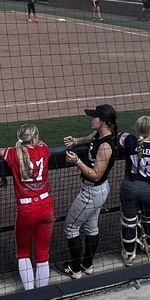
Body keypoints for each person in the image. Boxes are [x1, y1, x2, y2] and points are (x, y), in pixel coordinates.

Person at [0, 123, 54, 289]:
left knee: (23, 252)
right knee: (42, 253)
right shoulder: (44, 150)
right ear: (34, 138)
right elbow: (43, 145)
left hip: (27, 210)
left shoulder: (13, 153)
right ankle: (43, 293)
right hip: (46, 206)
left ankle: (29, 292)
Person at [59, 104, 117, 277]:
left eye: (94, 117)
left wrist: (77, 161)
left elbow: (96, 175)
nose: (91, 119)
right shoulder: (99, 134)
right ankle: (87, 265)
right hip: (97, 190)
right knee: (91, 228)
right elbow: (89, 139)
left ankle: (75, 269)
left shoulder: (106, 146)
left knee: (70, 227)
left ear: (103, 121)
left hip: (93, 191)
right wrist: (76, 141)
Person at [116, 115, 150, 263]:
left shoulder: (129, 141)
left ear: (137, 128)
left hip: (130, 188)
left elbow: (119, 135)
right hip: (149, 190)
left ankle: (129, 255)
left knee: (128, 222)